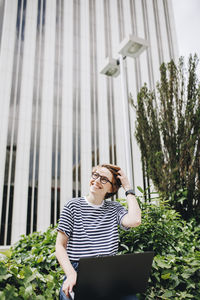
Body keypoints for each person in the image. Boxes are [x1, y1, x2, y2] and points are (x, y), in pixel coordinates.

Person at [56, 164, 141, 300]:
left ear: (112, 188)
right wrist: (71, 274)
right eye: (95, 175)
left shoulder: (115, 208)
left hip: (109, 272)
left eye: (103, 179)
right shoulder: (72, 206)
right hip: (79, 270)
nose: (96, 180)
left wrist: (127, 187)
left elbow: (135, 220)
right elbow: (60, 246)